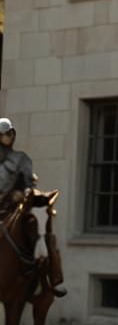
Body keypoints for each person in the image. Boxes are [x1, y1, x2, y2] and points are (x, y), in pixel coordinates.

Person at [0, 117, 66, 297]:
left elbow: (30, 183)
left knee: (44, 230)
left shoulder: (22, 158)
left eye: (8, 134)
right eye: (2, 135)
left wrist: (22, 193)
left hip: (16, 208)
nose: (6, 138)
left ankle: (54, 279)